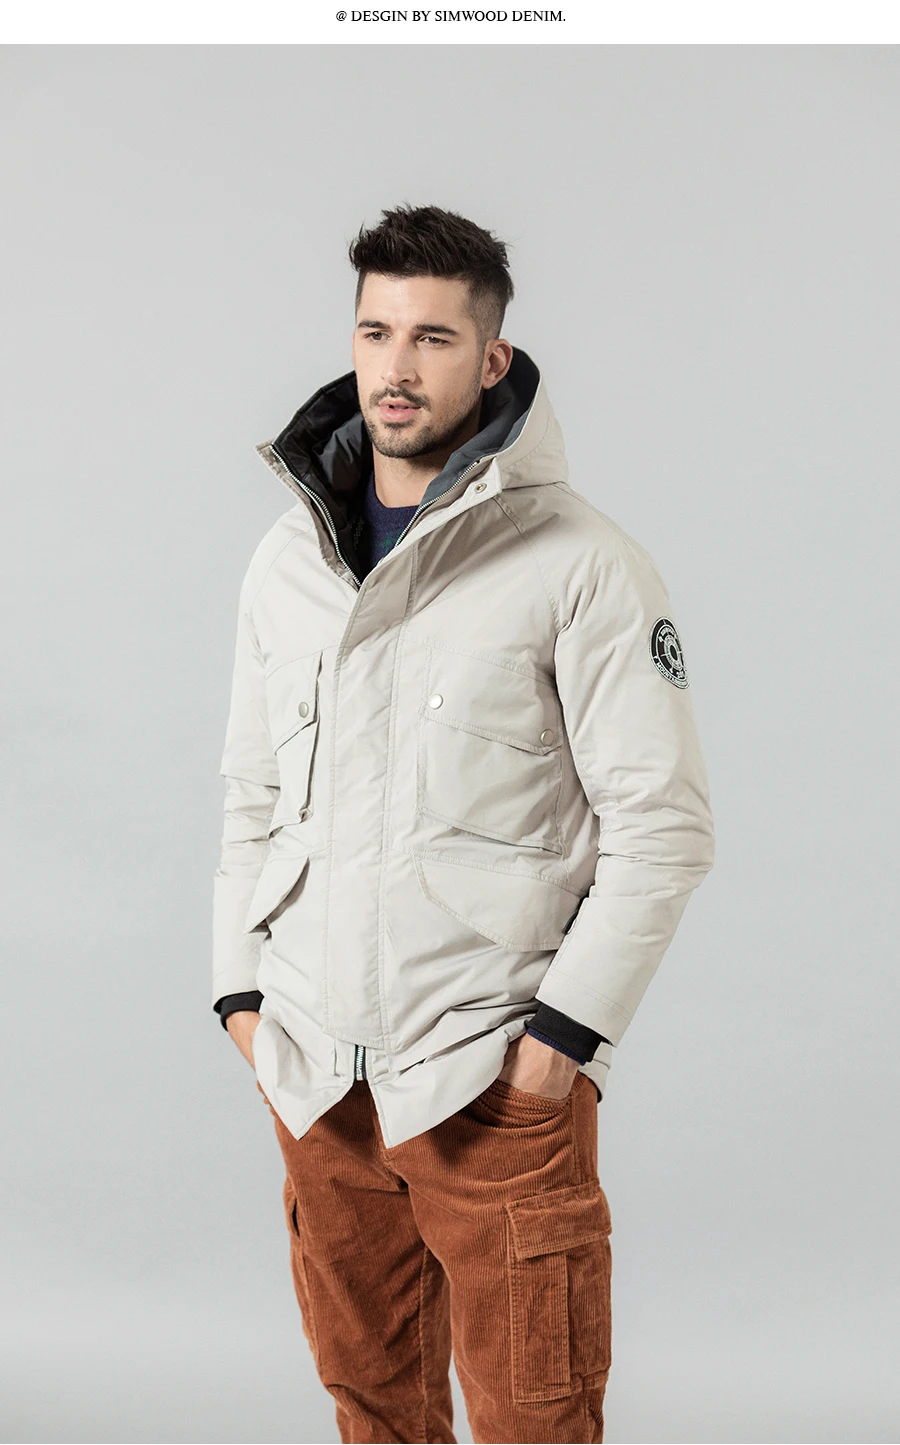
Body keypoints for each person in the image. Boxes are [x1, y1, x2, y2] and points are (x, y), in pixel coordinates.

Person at [211, 203, 715, 1444]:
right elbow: (251, 790)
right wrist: (241, 995)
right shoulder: (287, 560)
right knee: (372, 1411)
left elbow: (663, 825)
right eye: (375, 331)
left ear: (492, 359)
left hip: (490, 1082)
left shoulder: (584, 564)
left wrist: (557, 1046)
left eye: (432, 338)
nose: (396, 366)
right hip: (318, 1082)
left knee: (537, 1422)